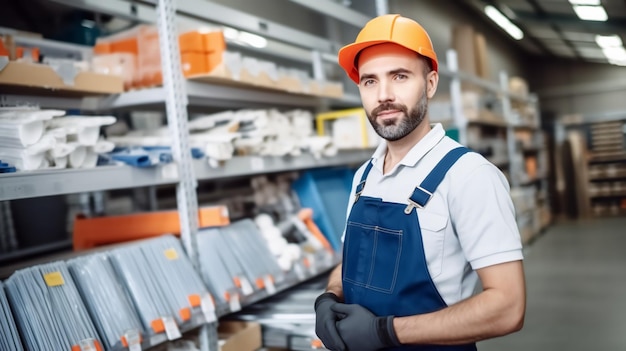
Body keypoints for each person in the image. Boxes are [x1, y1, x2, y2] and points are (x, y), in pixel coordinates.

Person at [314, 14, 526, 351]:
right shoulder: (364, 175)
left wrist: (385, 332)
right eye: (369, 81)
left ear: (430, 83)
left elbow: (507, 308)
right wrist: (328, 296)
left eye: (399, 76)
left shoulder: (469, 175)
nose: (383, 95)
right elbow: (355, 260)